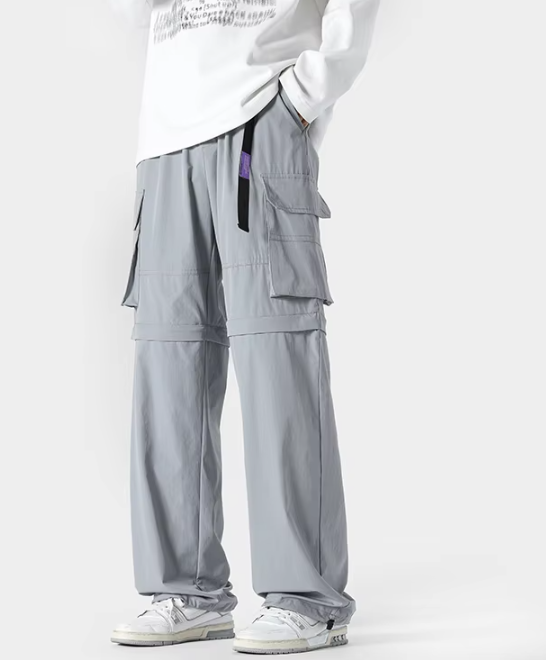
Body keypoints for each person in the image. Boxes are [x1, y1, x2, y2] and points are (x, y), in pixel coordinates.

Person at [108, 0, 380, 654]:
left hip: (260, 117)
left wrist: (304, 95)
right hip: (165, 137)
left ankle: (307, 598)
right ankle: (187, 590)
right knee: (169, 371)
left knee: (277, 362)